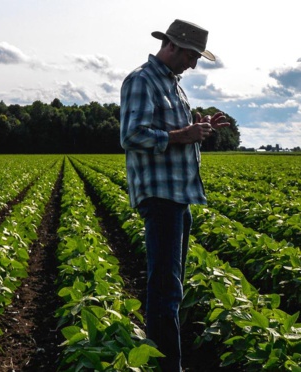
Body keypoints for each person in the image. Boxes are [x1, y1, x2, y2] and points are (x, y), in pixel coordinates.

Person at [119, 19, 229, 371]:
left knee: (172, 288)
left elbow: (175, 132)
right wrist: (183, 134)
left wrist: (201, 128)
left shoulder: (173, 85)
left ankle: (164, 360)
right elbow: (132, 135)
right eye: (192, 56)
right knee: (166, 290)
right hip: (161, 196)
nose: (194, 64)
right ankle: (168, 366)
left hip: (179, 196)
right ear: (173, 46)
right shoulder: (142, 80)